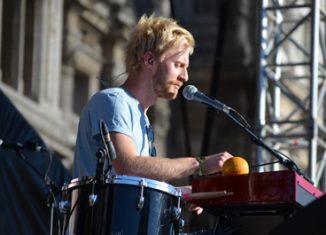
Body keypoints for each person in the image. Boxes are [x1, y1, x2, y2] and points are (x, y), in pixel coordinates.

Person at [73, 14, 233, 226]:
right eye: (178, 65)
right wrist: (200, 164)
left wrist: (182, 193)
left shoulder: (142, 118)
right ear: (149, 60)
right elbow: (127, 166)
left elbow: (134, 188)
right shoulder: (113, 100)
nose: (185, 76)